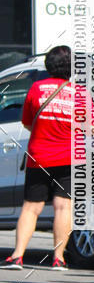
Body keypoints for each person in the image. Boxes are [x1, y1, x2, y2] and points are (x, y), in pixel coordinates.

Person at [1, 45, 82, 271]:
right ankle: (58, 259)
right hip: (68, 158)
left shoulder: (37, 88)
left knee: (31, 208)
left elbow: (27, 122)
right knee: (63, 207)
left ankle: (17, 257)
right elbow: (89, 127)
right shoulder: (79, 94)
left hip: (39, 157)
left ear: (48, 65)